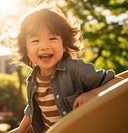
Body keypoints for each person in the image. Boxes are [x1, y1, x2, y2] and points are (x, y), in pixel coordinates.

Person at [9, 5, 124, 133]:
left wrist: (93, 93)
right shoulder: (32, 78)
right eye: (35, 41)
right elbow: (32, 109)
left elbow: (119, 82)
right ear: (26, 50)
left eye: (52, 38)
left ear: (64, 45)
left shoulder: (74, 68)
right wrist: (21, 129)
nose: (44, 46)